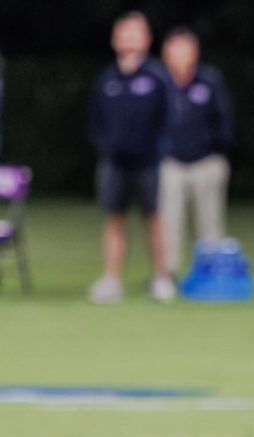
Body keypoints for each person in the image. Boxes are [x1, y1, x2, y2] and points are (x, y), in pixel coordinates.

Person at [86, 11, 174, 304]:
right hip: (114, 162)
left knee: (154, 219)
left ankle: (161, 278)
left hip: (149, 162)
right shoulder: (106, 79)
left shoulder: (157, 77)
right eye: (125, 33)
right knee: (114, 219)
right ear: (115, 39)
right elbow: (94, 119)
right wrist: (107, 145)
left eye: (136, 33)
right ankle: (112, 279)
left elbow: (170, 116)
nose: (130, 39)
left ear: (147, 39)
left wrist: (158, 149)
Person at [158, 27, 234, 278]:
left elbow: (224, 122)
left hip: (207, 162)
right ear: (166, 54)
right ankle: (167, 275)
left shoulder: (210, 80)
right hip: (170, 163)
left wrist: (215, 148)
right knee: (169, 222)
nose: (179, 57)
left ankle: (211, 275)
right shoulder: (160, 83)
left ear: (195, 53)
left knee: (210, 222)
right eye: (174, 51)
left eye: (184, 50)